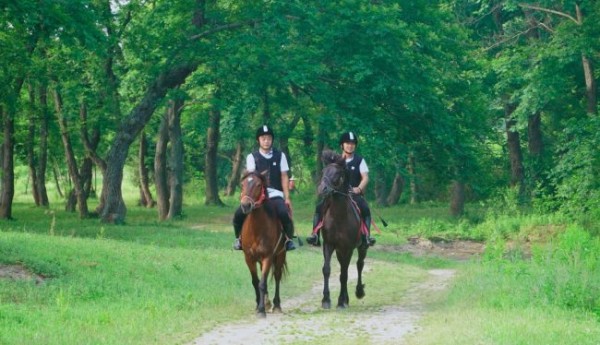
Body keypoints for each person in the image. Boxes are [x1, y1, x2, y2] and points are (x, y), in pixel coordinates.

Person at [306, 131, 376, 248]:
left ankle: (366, 236)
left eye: (353, 143)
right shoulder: (335, 160)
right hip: (335, 194)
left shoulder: (359, 160)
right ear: (342, 145)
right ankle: (315, 235)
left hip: (353, 194)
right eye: (347, 143)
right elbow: (327, 175)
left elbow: (365, 177)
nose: (350, 145)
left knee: (365, 208)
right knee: (319, 207)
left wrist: (359, 188)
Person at [232, 125, 296, 251]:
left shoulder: (280, 155)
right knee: (238, 214)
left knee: (284, 213)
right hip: (257, 196)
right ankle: (239, 239)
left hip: (276, 194)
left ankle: (288, 239)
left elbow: (284, 176)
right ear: (258, 140)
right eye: (263, 139)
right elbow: (250, 178)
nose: (266, 141)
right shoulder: (252, 157)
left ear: (272, 140)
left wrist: (287, 197)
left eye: (268, 138)